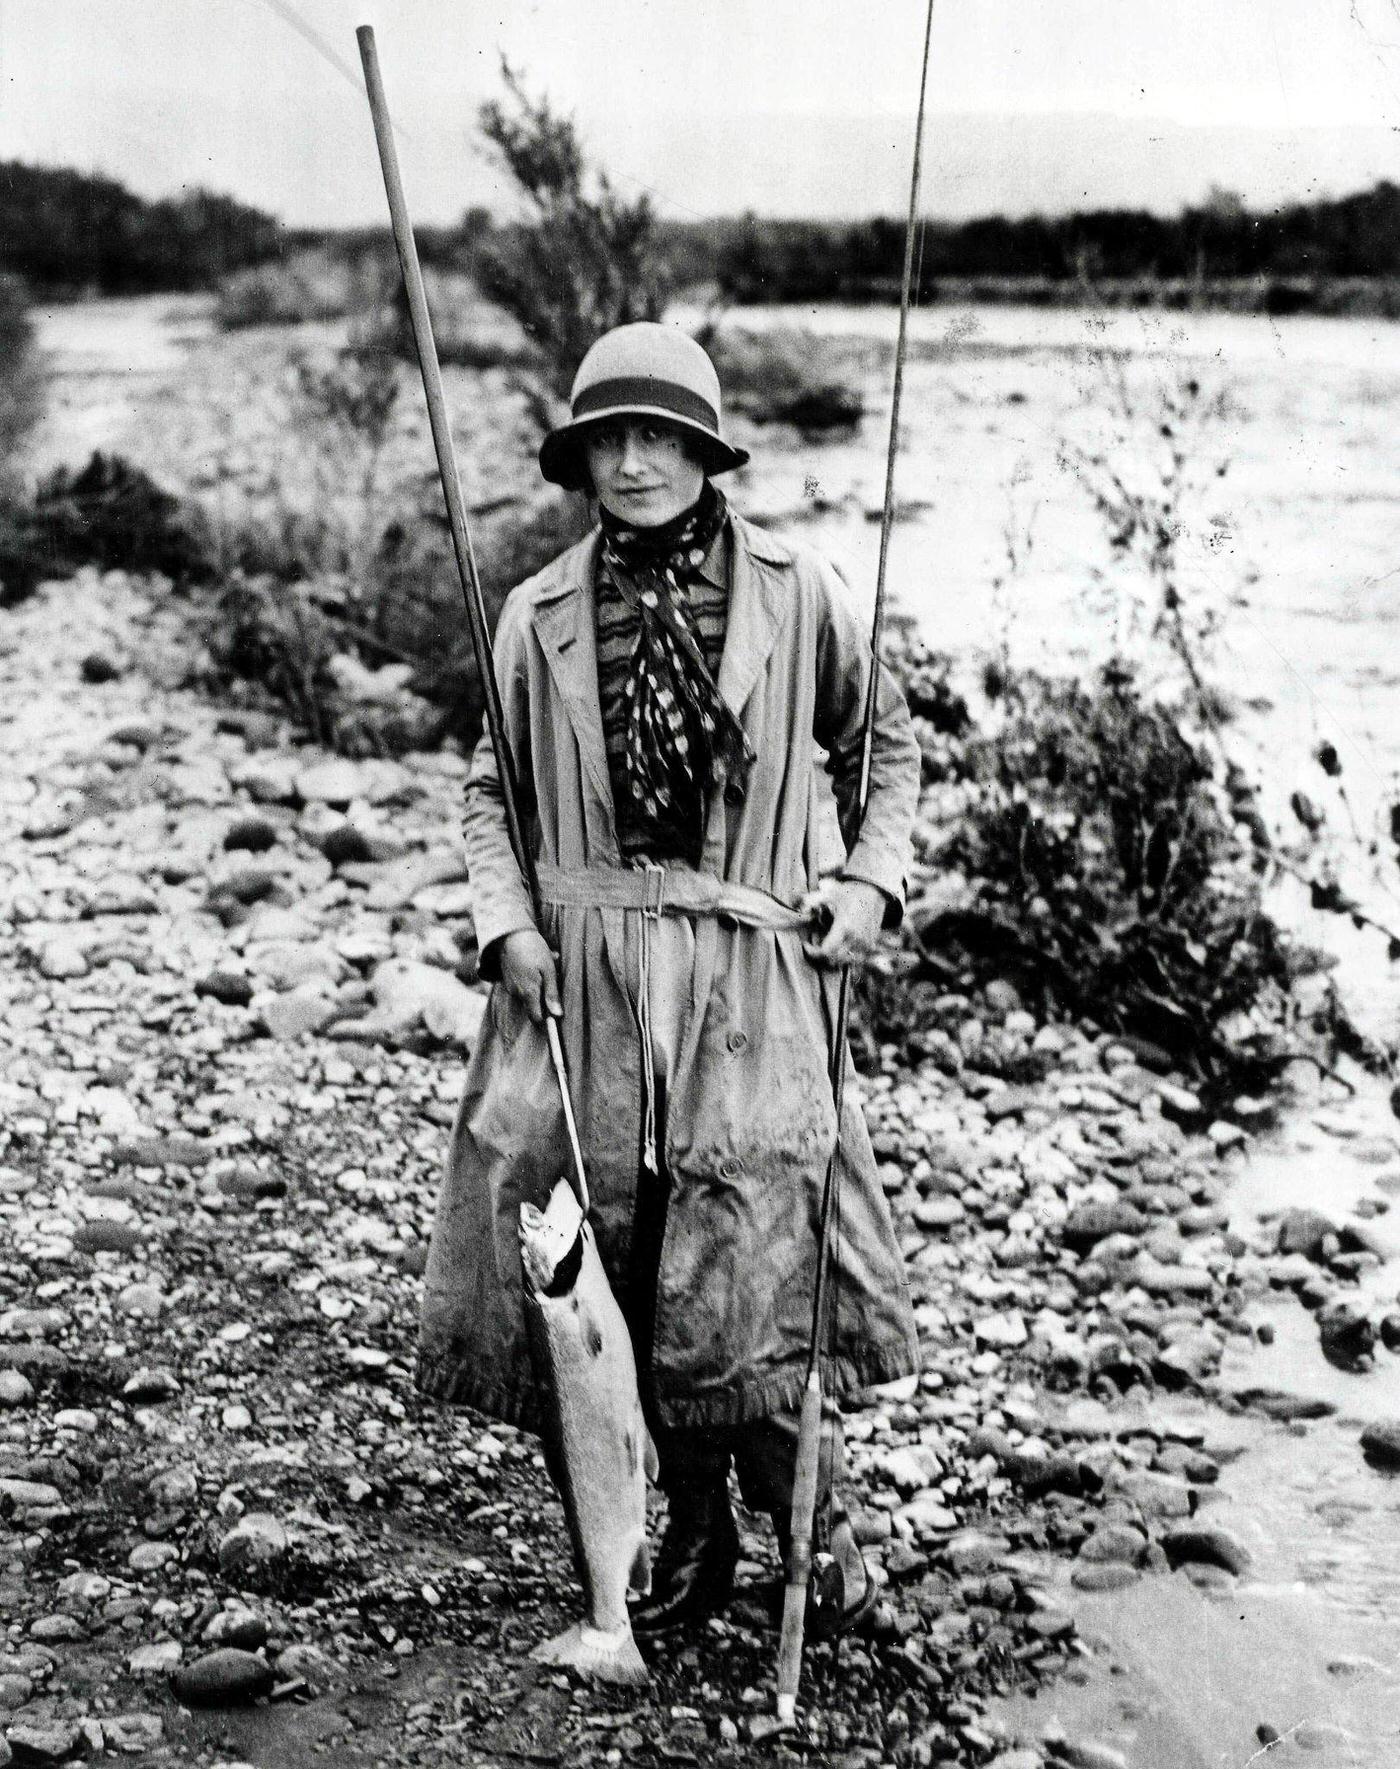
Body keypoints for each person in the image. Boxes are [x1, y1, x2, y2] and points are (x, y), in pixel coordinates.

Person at [417, 321, 920, 1636]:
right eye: (608, 439)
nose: (633, 462)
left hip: (748, 974)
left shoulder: (800, 592)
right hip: (580, 968)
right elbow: (492, 791)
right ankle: (673, 1535)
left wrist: (867, 881)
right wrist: (504, 921)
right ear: (579, 458)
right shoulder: (531, 617)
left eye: (658, 436)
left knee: (746, 1243)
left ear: (703, 451)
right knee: (595, 1243)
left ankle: (811, 1516)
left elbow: (890, 754)